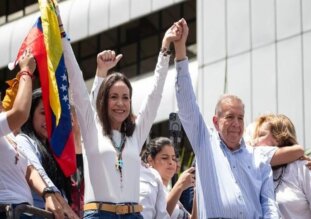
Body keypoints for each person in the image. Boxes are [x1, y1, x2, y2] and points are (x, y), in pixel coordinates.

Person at [60, 13, 184, 217]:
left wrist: (165, 47)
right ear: (104, 101)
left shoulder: (134, 136)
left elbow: (155, 96)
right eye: (114, 97)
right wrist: (61, 33)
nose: (120, 103)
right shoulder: (93, 131)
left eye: (126, 98)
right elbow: (76, 78)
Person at [174, 18, 279, 218]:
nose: (236, 124)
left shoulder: (258, 158)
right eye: (230, 117)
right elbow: (187, 104)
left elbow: (269, 203)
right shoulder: (205, 144)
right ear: (215, 122)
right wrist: (180, 50)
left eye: (240, 118)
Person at [0, 49, 65, 219]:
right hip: (8, 211)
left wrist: (47, 194)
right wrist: (26, 71)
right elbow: (20, 113)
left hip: (26, 212)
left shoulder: (9, 137)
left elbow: (29, 170)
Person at [253, 113, 311, 218]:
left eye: (261, 135)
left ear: (279, 137)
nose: (255, 141)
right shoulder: (255, 174)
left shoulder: (300, 167)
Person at [16, 88, 77, 219]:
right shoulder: (23, 140)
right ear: (31, 114)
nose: (49, 119)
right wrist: (52, 196)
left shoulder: (56, 151)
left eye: (54, 114)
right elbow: (35, 171)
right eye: (43, 113)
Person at [141, 137, 196, 219]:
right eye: (164, 158)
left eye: (173, 158)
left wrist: (197, 192)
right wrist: (179, 185)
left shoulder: (169, 192)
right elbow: (161, 215)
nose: (171, 162)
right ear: (150, 160)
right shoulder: (147, 188)